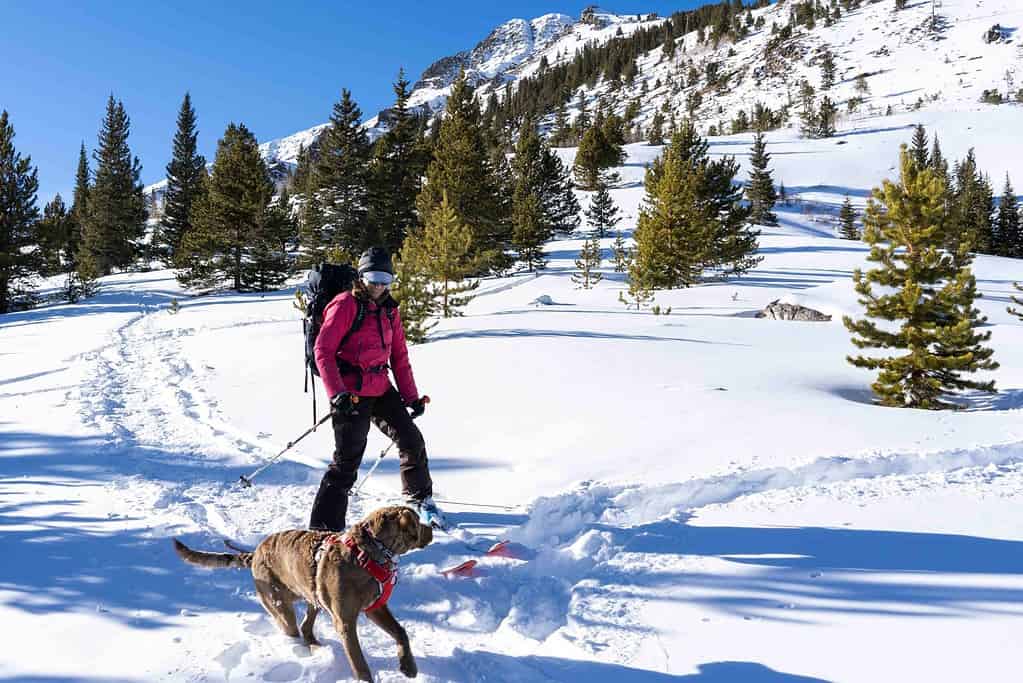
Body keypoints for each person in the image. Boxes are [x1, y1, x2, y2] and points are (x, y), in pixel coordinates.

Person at [308, 246, 441, 531]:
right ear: (361, 276)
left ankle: (419, 501)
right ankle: (323, 529)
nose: (379, 285)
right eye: (373, 277)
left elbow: (399, 356)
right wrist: (337, 393)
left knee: (411, 440)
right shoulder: (345, 305)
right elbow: (323, 350)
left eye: (385, 278)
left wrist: (411, 397)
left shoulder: (389, 310)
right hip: (350, 392)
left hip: (381, 388)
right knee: (347, 462)